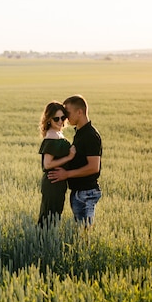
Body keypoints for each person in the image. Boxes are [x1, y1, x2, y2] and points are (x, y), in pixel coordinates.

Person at [48, 95, 102, 226]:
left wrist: (66, 174)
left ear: (80, 112)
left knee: (84, 233)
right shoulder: (80, 133)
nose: (66, 117)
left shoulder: (90, 136)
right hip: (80, 192)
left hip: (86, 193)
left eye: (68, 112)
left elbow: (93, 167)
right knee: (81, 232)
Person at [37, 101, 76, 226]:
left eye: (63, 117)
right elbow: (47, 164)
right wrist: (70, 157)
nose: (60, 121)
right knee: (49, 217)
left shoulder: (58, 133)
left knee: (54, 216)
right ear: (49, 120)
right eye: (56, 119)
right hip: (52, 183)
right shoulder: (52, 137)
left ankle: (45, 240)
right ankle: (42, 242)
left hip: (58, 182)